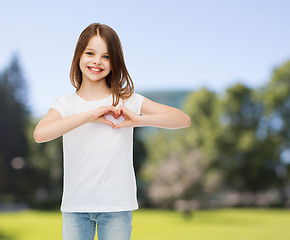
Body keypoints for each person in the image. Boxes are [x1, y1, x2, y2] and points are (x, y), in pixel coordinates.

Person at [33, 23, 191, 240]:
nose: (97, 61)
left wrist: (138, 120)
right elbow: (40, 134)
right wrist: (90, 115)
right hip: (75, 206)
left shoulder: (127, 99)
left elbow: (182, 119)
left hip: (117, 206)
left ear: (114, 62)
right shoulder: (65, 103)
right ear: (78, 56)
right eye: (90, 53)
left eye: (106, 56)